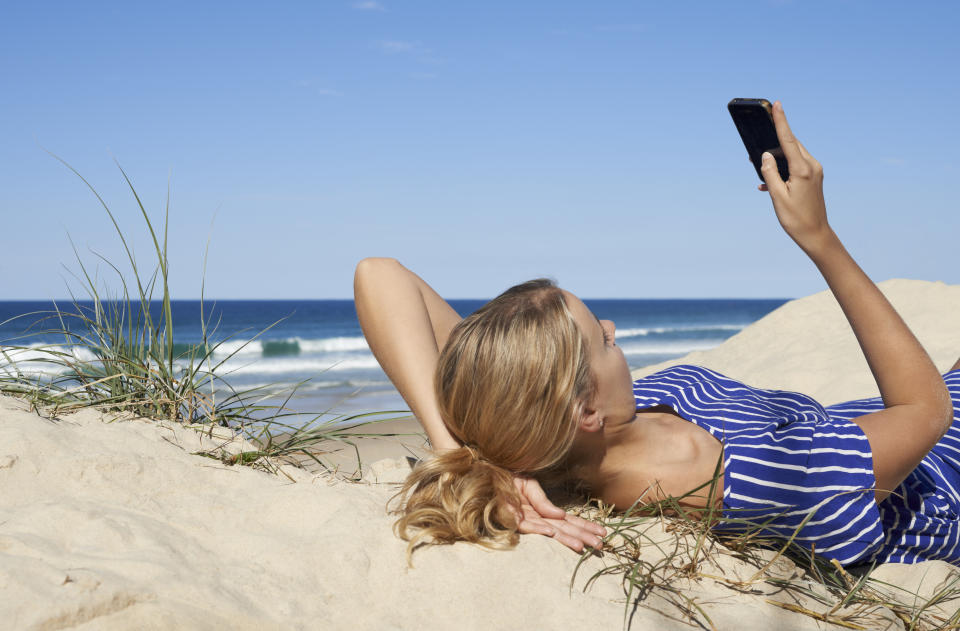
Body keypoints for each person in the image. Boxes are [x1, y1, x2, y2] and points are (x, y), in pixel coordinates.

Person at [354, 102, 960, 566]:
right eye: (604, 339)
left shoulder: (545, 432)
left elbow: (379, 275)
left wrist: (455, 451)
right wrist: (818, 238)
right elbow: (925, 411)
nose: (614, 329)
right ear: (585, 409)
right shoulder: (751, 474)